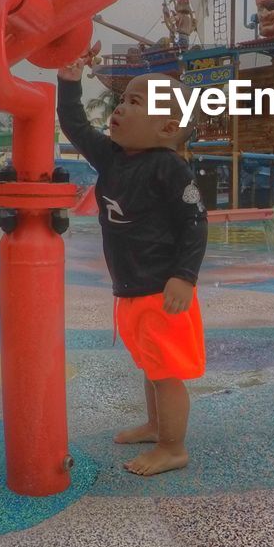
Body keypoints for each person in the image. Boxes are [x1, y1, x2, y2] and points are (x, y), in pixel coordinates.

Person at [57, 41, 207, 476]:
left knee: (166, 372)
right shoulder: (113, 158)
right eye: (123, 99)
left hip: (163, 291)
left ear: (168, 127)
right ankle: (156, 424)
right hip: (132, 289)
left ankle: (173, 446)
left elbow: (195, 223)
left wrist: (184, 276)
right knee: (150, 364)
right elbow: (76, 126)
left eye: (136, 103)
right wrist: (69, 82)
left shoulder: (170, 168)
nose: (121, 108)